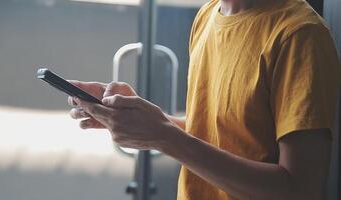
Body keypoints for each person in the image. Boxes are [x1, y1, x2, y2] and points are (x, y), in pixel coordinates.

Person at [67, 0, 340, 199]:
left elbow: (299, 190)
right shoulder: (208, 15)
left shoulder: (300, 35)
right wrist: (145, 122)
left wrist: (164, 136)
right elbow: (220, 135)